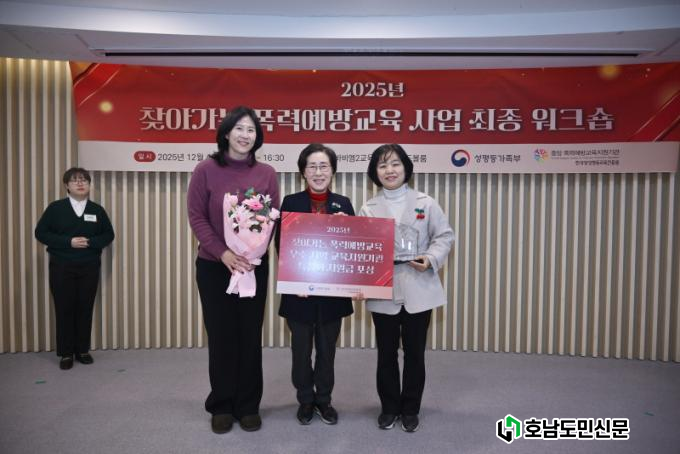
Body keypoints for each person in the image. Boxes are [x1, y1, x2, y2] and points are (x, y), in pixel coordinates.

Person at [187, 106, 280, 434]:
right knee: (222, 336)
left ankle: (248, 405)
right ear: (226, 133)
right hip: (215, 267)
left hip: (253, 267)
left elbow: (270, 218)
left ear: (258, 137)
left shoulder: (266, 173)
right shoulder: (206, 170)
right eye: (239, 128)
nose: (245, 135)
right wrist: (223, 252)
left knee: (250, 336)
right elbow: (196, 217)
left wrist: (253, 254)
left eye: (251, 130)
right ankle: (222, 404)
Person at [358, 144, 454, 433]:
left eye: (395, 164)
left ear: (406, 168)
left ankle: (411, 409)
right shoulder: (368, 208)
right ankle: (389, 408)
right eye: (382, 165)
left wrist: (431, 258)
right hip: (383, 289)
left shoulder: (427, 202)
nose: (390, 170)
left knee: (415, 353)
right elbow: (361, 251)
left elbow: (445, 236)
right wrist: (358, 282)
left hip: (419, 287)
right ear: (375, 172)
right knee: (386, 353)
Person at [275, 143, 355, 426]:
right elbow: (281, 245)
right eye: (312, 166)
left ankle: (324, 400)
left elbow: (353, 250)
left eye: (324, 166)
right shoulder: (291, 202)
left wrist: (347, 227)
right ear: (303, 172)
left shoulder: (343, 203)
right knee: (300, 352)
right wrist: (293, 278)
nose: (318, 172)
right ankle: (305, 399)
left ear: (332, 171)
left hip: (332, 295)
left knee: (327, 351)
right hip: (299, 294)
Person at [35, 167, 115, 370]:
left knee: (85, 307)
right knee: (64, 308)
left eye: (84, 180)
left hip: (89, 266)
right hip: (61, 266)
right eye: (75, 180)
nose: (80, 183)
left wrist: (91, 242)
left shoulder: (97, 210)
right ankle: (66, 353)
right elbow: (41, 233)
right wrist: (67, 242)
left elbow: (108, 234)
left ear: (89, 185)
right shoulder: (56, 208)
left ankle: (82, 350)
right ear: (67, 185)